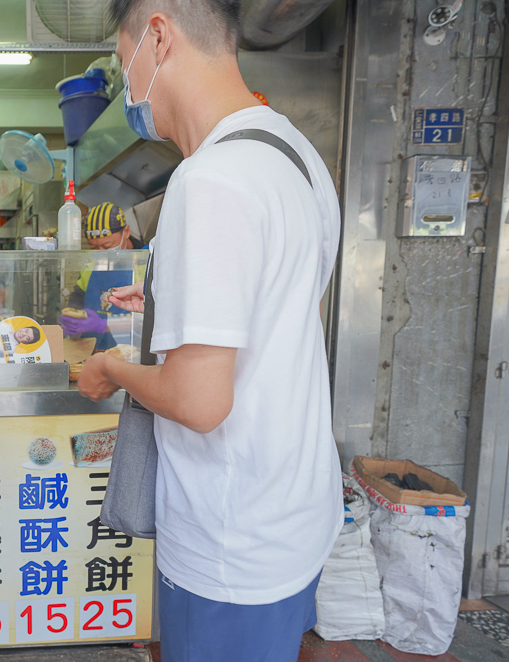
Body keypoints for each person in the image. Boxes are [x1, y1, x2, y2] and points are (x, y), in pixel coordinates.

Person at [78, 2, 343, 660]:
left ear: (159, 38)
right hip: (296, 517)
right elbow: (286, 312)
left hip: (230, 546)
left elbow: (200, 402)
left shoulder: (209, 178)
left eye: (122, 64)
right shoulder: (300, 158)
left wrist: (113, 366)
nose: (128, 90)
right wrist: (177, 297)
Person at [59, 201, 145, 351]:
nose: (101, 252)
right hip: (92, 351)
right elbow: (79, 294)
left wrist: (103, 325)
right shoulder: (91, 260)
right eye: (94, 247)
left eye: (107, 246)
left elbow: (152, 318)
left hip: (132, 353)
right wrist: (72, 315)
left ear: (126, 232)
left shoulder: (147, 260)